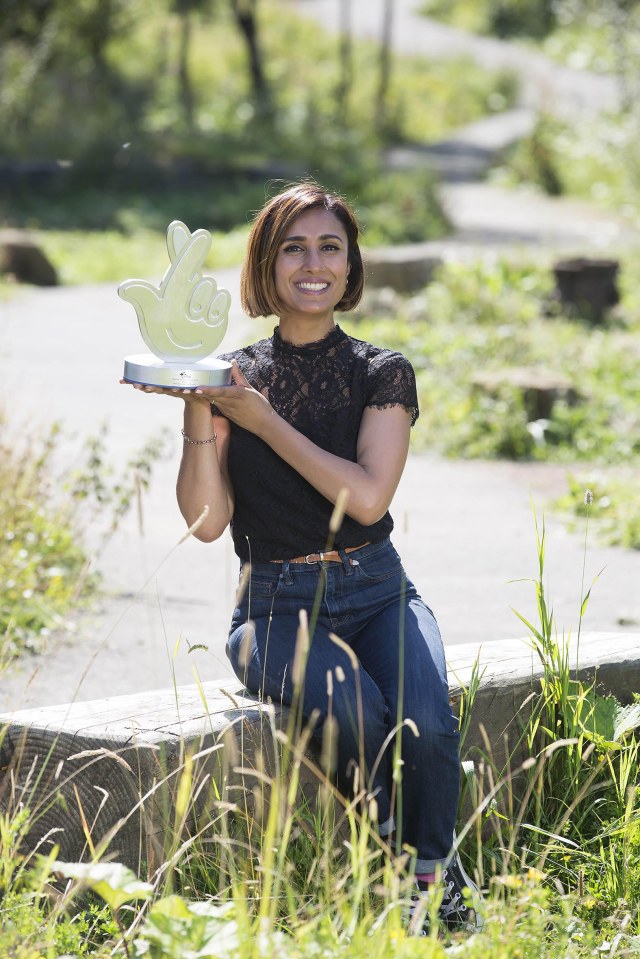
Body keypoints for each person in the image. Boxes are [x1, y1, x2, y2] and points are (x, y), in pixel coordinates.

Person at [125, 181, 481, 933]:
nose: (312, 263)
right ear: (267, 263)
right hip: (272, 608)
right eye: (294, 247)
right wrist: (202, 404)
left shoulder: (382, 370)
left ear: (351, 267)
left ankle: (432, 876)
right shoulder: (230, 372)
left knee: (426, 722)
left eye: (330, 247)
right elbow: (205, 519)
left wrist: (263, 418)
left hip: (380, 590)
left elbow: (368, 497)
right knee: (354, 710)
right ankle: (409, 863)